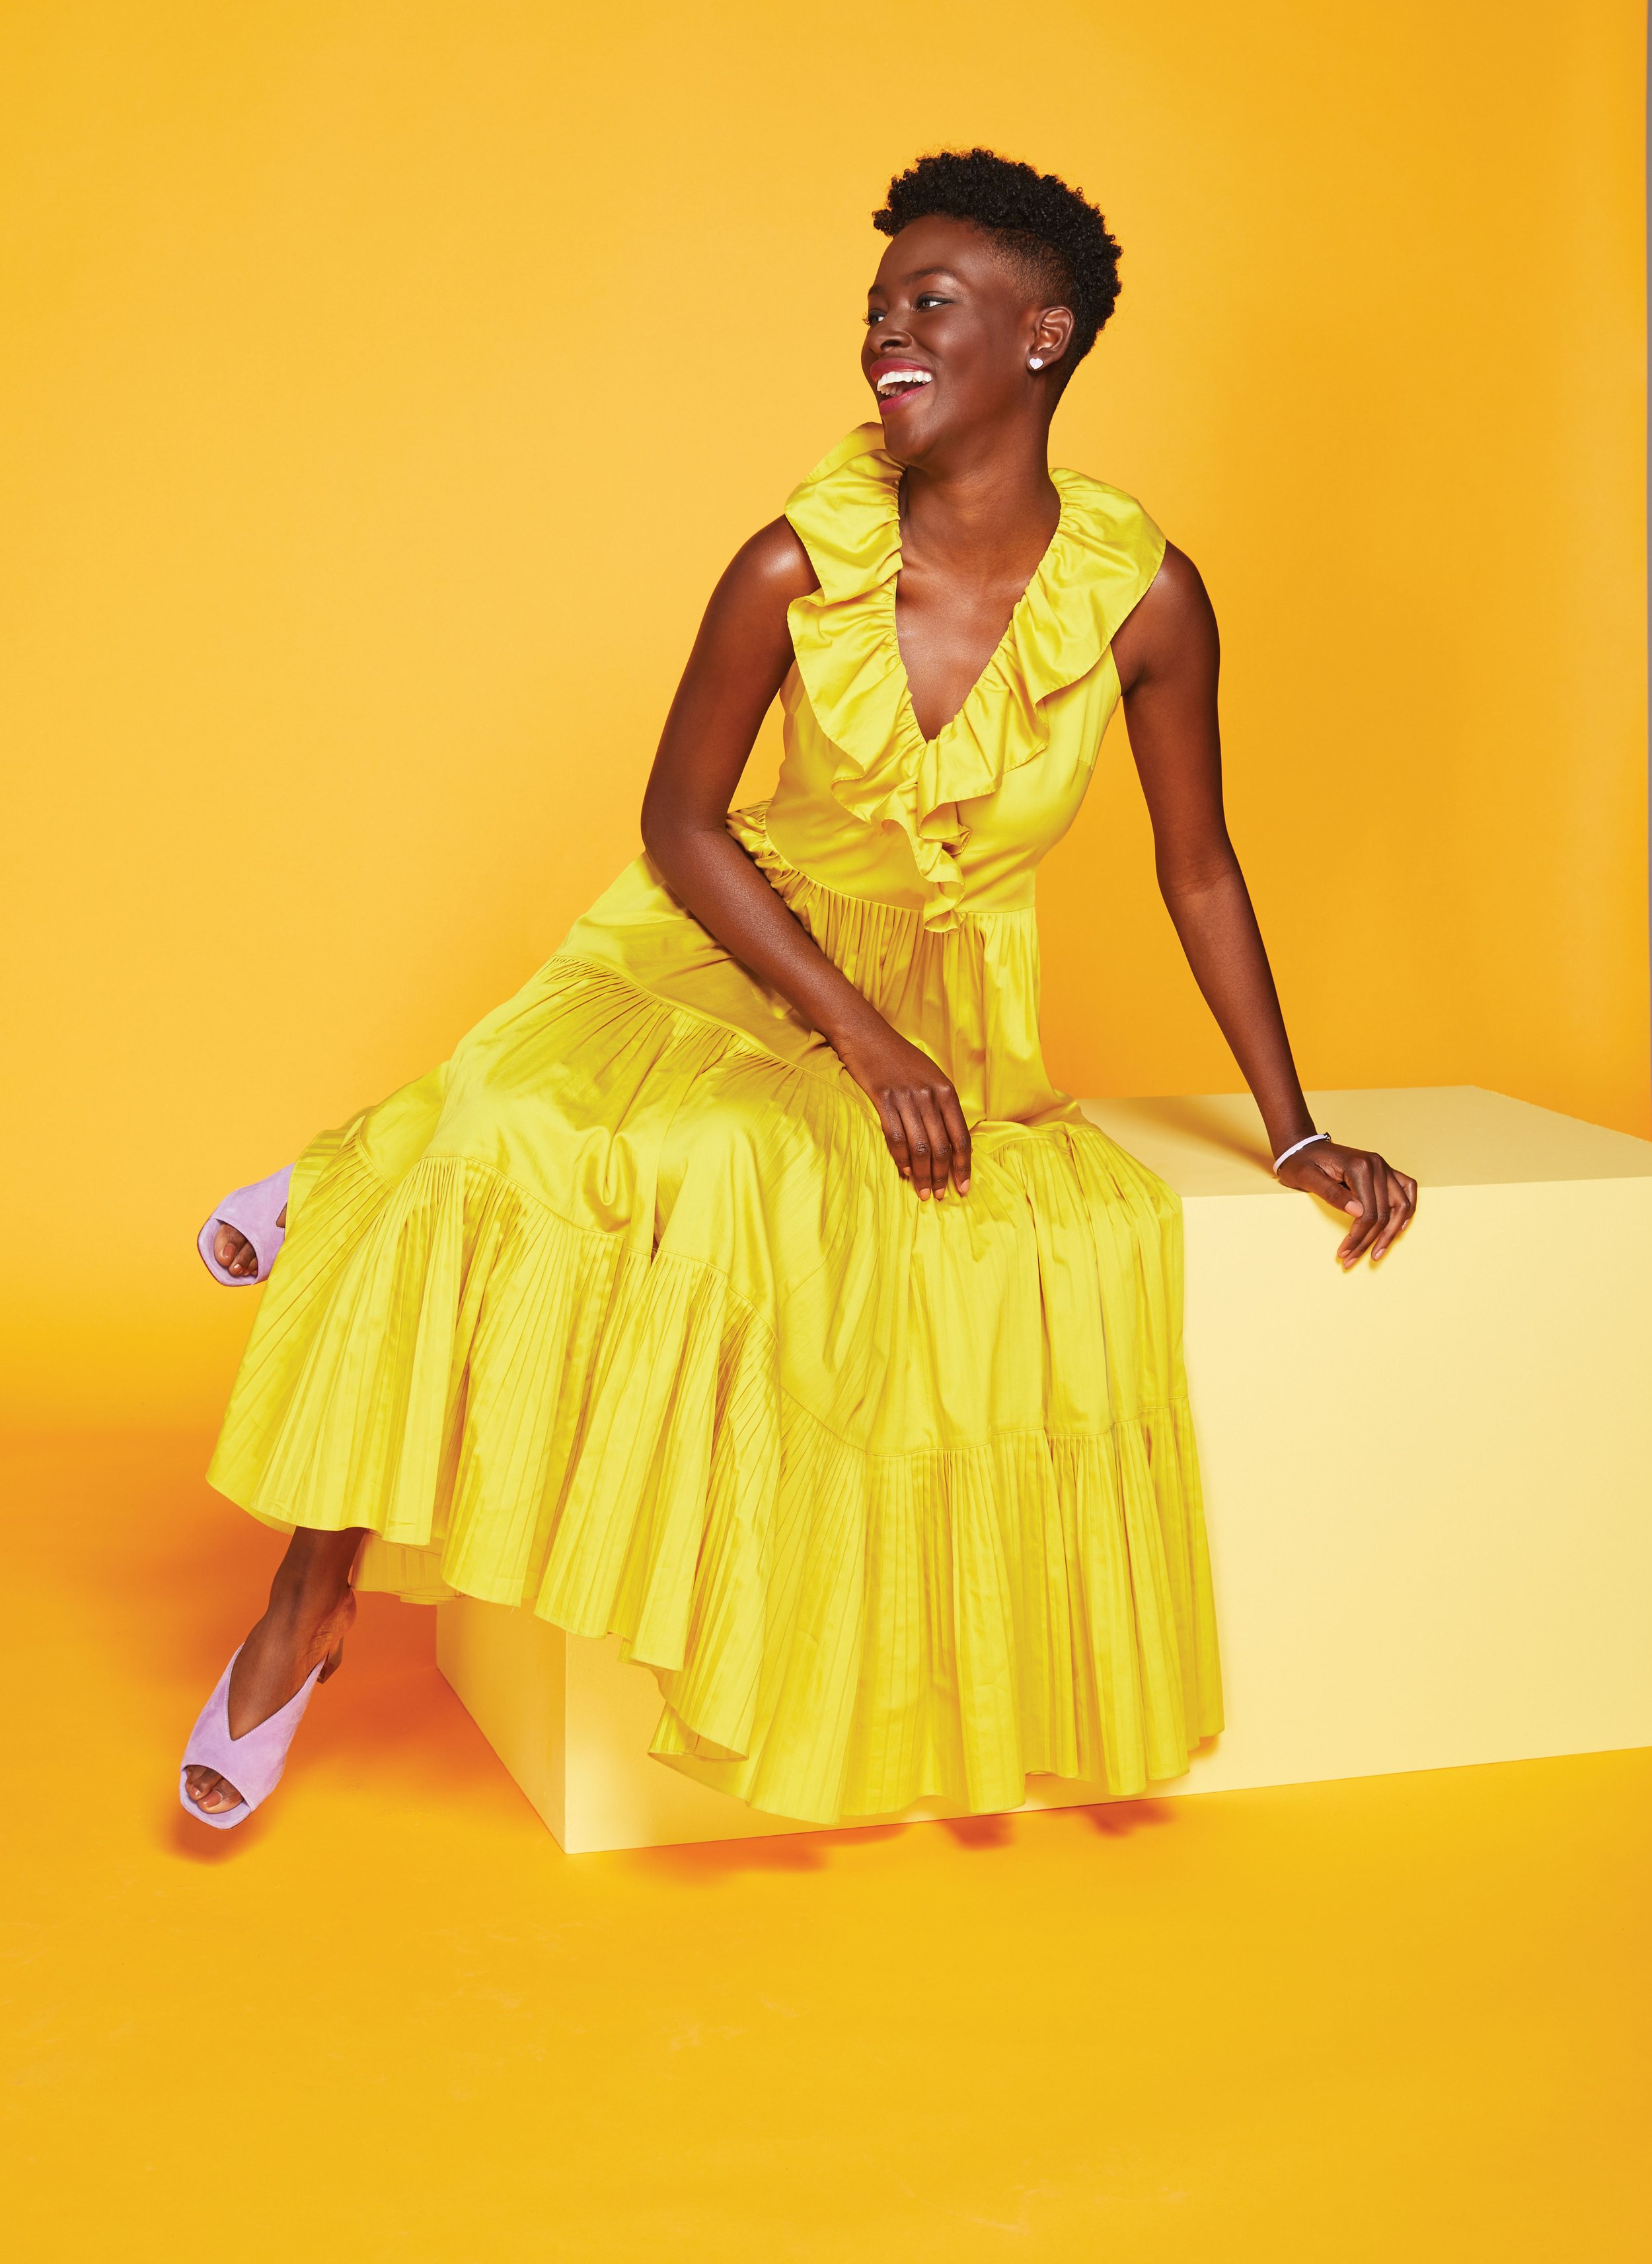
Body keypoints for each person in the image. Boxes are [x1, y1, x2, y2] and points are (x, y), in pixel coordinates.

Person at [182, 148, 1416, 1830]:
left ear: (1043, 337)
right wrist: (854, 1026)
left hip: (951, 1003)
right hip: (733, 938)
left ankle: (338, 1186)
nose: (884, 339)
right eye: (875, 310)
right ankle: (303, 1597)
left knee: (730, 1186)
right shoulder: (791, 561)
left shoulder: (1145, 598)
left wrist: (1289, 1136)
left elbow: (1194, 866)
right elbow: (680, 825)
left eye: (932, 305)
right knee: (510, 1118)